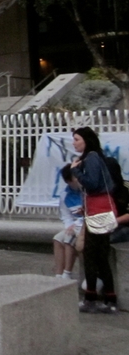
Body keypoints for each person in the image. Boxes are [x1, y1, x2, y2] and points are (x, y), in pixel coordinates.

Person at [70, 127, 118, 314]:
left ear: (86, 140)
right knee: (98, 256)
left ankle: (91, 298)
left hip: (97, 213)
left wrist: (76, 171)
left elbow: (92, 183)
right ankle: (109, 299)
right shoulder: (95, 157)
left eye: (76, 139)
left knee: (92, 256)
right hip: (98, 210)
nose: (74, 143)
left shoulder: (91, 158)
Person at [52, 164, 82, 279]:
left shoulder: (86, 191)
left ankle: (67, 273)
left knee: (69, 239)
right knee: (57, 239)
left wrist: (76, 225)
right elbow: (66, 215)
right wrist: (70, 226)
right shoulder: (65, 195)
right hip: (74, 225)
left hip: (84, 225)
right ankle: (59, 274)